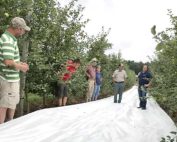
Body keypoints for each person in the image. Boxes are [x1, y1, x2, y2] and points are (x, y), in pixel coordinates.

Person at [0, 17, 30, 124]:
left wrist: (19, 63)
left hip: (9, 79)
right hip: (8, 80)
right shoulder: (8, 40)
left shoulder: (8, 38)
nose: (23, 32)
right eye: (23, 30)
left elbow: (10, 59)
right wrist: (22, 67)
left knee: (9, 104)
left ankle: (7, 129)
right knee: (4, 105)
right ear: (18, 28)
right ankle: (3, 132)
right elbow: (8, 62)